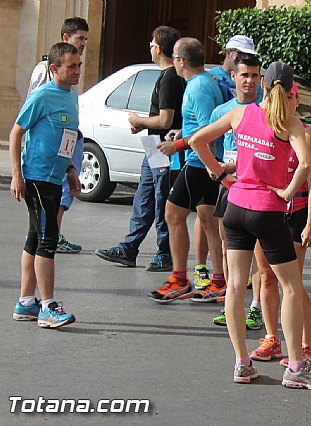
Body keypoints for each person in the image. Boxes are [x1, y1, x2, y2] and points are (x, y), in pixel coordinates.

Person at [189, 61, 311, 389]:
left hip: (236, 207)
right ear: (289, 88)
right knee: (292, 286)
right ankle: (296, 366)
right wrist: (285, 191)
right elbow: (307, 166)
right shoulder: (291, 123)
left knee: (237, 286)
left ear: (264, 86)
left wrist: (220, 173)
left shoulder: (242, 114)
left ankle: (242, 363)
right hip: (268, 211)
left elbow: (198, 141)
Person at [95, 26, 185, 272]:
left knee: (161, 198)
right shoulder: (165, 77)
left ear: (158, 48)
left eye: (152, 44)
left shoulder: (169, 79)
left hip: (164, 147)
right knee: (144, 198)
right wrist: (143, 124)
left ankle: (165, 252)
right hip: (153, 146)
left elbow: (165, 120)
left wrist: (139, 121)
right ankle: (129, 247)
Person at [249, 81, 311, 367]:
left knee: (293, 282)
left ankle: (308, 347)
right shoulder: (266, 129)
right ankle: (271, 338)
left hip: (296, 211)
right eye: (285, 98)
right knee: (265, 276)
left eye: (293, 98)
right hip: (267, 210)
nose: (290, 103)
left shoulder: (305, 133)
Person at [147, 37, 224, 303]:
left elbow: (207, 130)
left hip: (198, 162)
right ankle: (219, 281)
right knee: (209, 221)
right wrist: (181, 132)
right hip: (205, 161)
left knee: (173, 214)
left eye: (175, 57)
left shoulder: (198, 87)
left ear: (181, 61)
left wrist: (177, 145)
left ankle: (179, 279)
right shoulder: (203, 83)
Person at [10, 42, 82, 327]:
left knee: (34, 238)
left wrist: (71, 169)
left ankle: (26, 302)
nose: (78, 71)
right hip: (38, 177)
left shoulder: (71, 96)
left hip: (55, 176)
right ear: (54, 68)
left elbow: (67, 135)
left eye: (79, 65)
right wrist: (17, 174)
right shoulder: (42, 96)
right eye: (72, 66)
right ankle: (48, 307)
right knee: (48, 239)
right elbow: (16, 133)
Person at [191, 52, 262, 312]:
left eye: (254, 76)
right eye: (244, 75)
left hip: (258, 188)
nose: (249, 81)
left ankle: (254, 306)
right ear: (233, 76)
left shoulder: (265, 107)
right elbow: (206, 143)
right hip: (229, 186)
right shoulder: (222, 111)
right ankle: (230, 303)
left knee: (258, 253)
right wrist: (218, 171)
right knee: (227, 244)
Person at [28, 17, 89, 254]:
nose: (84, 43)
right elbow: (33, 112)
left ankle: (50, 233)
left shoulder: (71, 72)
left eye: (85, 39)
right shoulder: (47, 70)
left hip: (68, 141)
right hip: (48, 150)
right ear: (66, 37)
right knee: (52, 200)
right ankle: (47, 235)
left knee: (63, 195)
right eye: (80, 38)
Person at [210, 35, 259, 100]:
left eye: (250, 55)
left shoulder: (256, 83)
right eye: (241, 54)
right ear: (228, 53)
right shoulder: (210, 77)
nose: (245, 58)